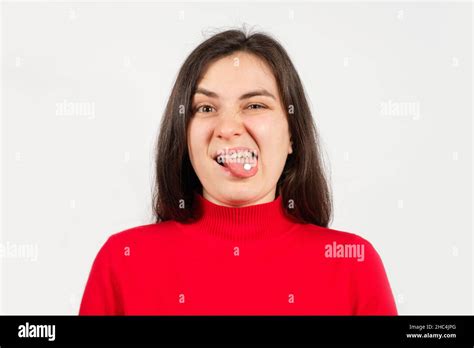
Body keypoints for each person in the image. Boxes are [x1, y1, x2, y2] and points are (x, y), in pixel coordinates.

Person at [79, 29, 397, 315]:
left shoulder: (353, 266)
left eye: (255, 105)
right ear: (183, 135)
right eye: (206, 108)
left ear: (291, 136)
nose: (228, 128)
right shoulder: (123, 262)